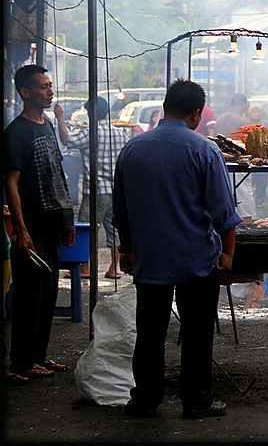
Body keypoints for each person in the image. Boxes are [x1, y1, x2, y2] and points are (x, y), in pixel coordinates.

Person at [113, 79, 242, 419]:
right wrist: (227, 254)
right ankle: (197, 401)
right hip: (196, 259)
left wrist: (126, 251)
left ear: (164, 107)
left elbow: (121, 211)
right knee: (198, 332)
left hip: (150, 258)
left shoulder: (133, 149)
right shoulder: (204, 150)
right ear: (196, 113)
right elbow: (223, 213)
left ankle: (145, 399)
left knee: (150, 331)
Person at [4, 64, 76, 381]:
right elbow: (11, 185)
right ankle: (20, 361)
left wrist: (68, 219)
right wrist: (21, 230)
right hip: (30, 226)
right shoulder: (15, 133)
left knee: (48, 292)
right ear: (25, 92)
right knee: (28, 295)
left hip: (51, 223)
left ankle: (39, 356)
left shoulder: (47, 125)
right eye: (43, 87)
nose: (49, 91)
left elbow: (57, 175)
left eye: (50, 85)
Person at [59, 96, 129, 278]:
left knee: (87, 229)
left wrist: (59, 118)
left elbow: (67, 140)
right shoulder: (120, 133)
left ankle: (85, 268)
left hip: (96, 191)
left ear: (91, 113)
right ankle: (114, 269)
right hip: (116, 191)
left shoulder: (89, 132)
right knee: (114, 230)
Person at [247, 105, 268, 210]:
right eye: (254, 112)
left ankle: (259, 201)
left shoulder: (267, 124)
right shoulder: (245, 124)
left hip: (263, 155)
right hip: (250, 155)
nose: (256, 114)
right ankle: (248, 200)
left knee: (262, 179)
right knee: (249, 180)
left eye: (258, 112)